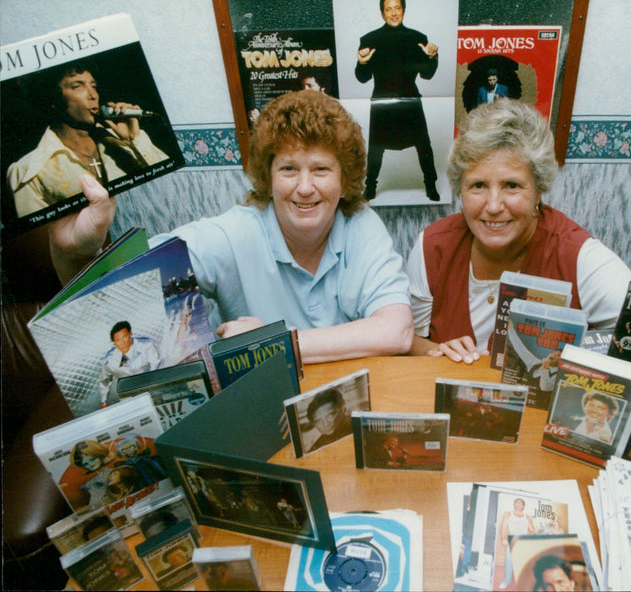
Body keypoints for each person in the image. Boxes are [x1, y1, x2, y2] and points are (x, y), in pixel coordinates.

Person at [49, 90, 414, 365]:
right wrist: (75, 250)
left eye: (321, 169)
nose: (305, 187)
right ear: (267, 177)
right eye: (288, 169)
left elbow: (397, 331)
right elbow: (113, 297)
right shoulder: (235, 233)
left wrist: (276, 342)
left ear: (344, 178)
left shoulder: (362, 225)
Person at [406, 98, 631, 375]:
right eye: (478, 186)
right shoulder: (431, 246)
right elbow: (411, 343)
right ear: (460, 190)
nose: (494, 205)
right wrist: (436, 352)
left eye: (512, 185)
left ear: (539, 190)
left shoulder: (579, 256)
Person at [7, 59, 168, 218]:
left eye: (93, 86)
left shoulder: (125, 141)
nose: (93, 95)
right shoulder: (29, 171)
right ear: (52, 99)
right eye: (77, 86)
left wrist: (134, 140)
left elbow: (165, 190)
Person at [355, 0, 440, 201]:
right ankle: (371, 186)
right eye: (388, 9)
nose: (394, 13)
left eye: (397, 8)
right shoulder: (369, 39)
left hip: (410, 100)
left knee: (423, 145)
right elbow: (362, 78)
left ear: (403, 10)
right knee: (376, 148)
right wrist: (362, 62)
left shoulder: (417, 38)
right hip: (382, 102)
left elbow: (427, 75)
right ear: (382, 13)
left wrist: (433, 57)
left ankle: (431, 184)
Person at [98, 320, 161, 408]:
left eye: (124, 337)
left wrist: (150, 382)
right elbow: (105, 381)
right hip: (127, 396)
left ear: (130, 334)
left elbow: (156, 362)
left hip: (150, 389)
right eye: (118, 340)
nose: (122, 342)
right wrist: (103, 402)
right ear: (114, 342)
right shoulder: (109, 360)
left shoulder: (145, 345)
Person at [497, 498, 535, 589]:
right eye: (516, 502)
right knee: (508, 561)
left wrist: (535, 532)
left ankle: (524, 581)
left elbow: (532, 530)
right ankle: (507, 581)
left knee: (524, 562)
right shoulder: (508, 514)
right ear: (514, 505)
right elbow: (503, 527)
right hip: (512, 539)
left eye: (520, 503)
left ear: (523, 506)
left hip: (523, 540)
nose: (518, 504)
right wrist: (503, 538)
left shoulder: (527, 517)